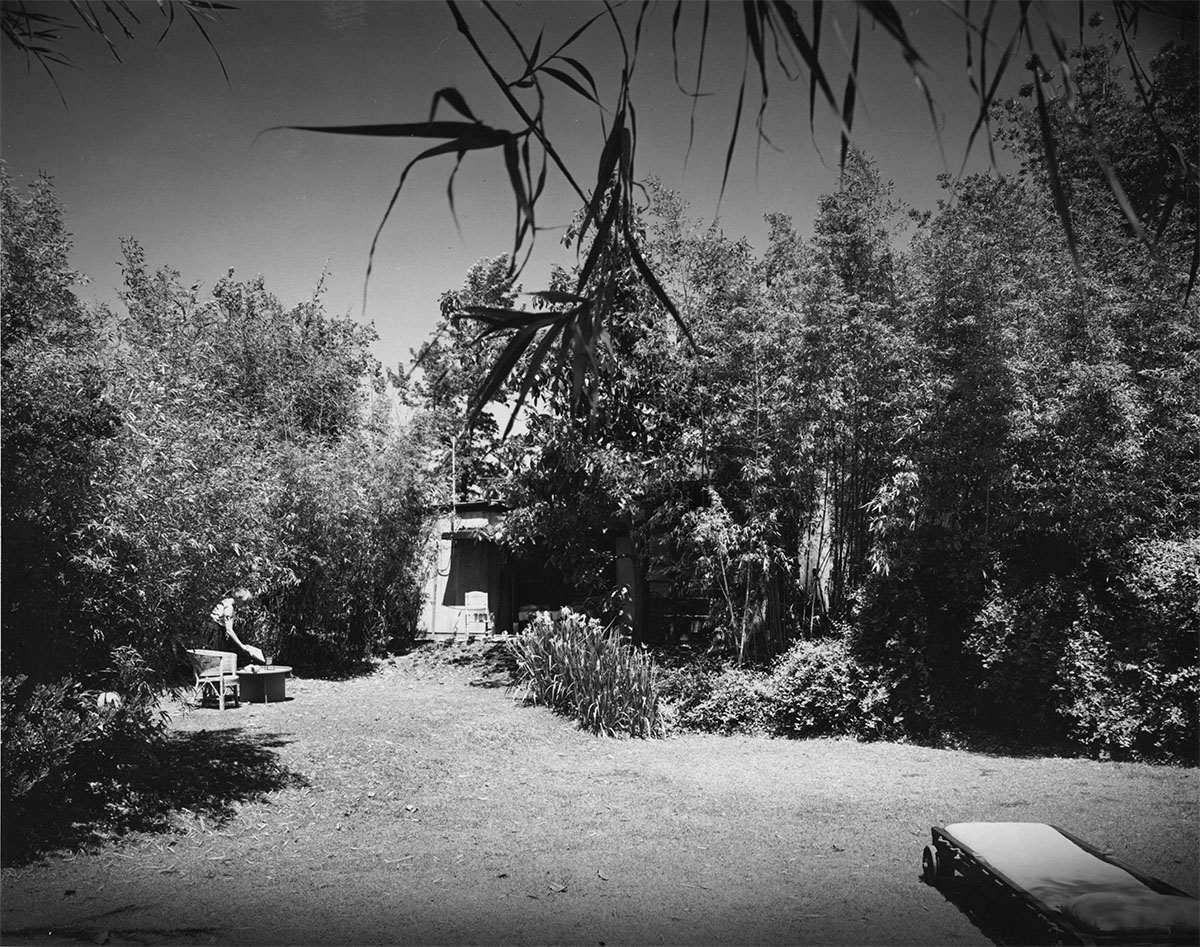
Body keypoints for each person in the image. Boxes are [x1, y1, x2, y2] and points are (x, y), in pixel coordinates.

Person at [210, 588, 266, 665]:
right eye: (244, 603)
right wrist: (241, 645)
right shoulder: (229, 608)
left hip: (212, 631)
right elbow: (229, 630)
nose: (244, 606)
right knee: (216, 660)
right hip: (215, 634)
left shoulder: (225, 601)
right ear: (239, 599)